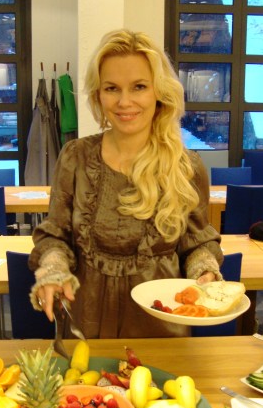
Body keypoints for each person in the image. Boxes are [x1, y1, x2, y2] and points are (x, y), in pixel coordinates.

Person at [28, 28, 223, 339]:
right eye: (112, 88)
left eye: (139, 87)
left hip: (161, 326)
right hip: (86, 322)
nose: (124, 101)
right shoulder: (76, 157)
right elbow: (55, 235)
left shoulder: (186, 166)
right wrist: (53, 268)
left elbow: (197, 243)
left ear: (159, 92)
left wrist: (205, 271)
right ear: (98, 94)